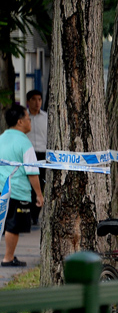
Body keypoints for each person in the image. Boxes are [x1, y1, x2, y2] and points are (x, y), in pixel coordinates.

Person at [0, 104, 45, 267]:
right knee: (13, 226)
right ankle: (8, 258)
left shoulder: (1, 138)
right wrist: (39, 194)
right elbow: (32, 171)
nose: (30, 122)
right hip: (17, 191)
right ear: (20, 122)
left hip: (1, 189)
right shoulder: (24, 143)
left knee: (5, 225)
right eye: (27, 119)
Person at [25, 89, 47, 226]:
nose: (37, 102)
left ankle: (35, 215)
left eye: (39, 99)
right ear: (28, 101)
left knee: (40, 185)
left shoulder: (46, 117)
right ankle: (27, 214)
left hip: (42, 154)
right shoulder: (23, 118)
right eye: (34, 99)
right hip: (27, 155)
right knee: (28, 185)